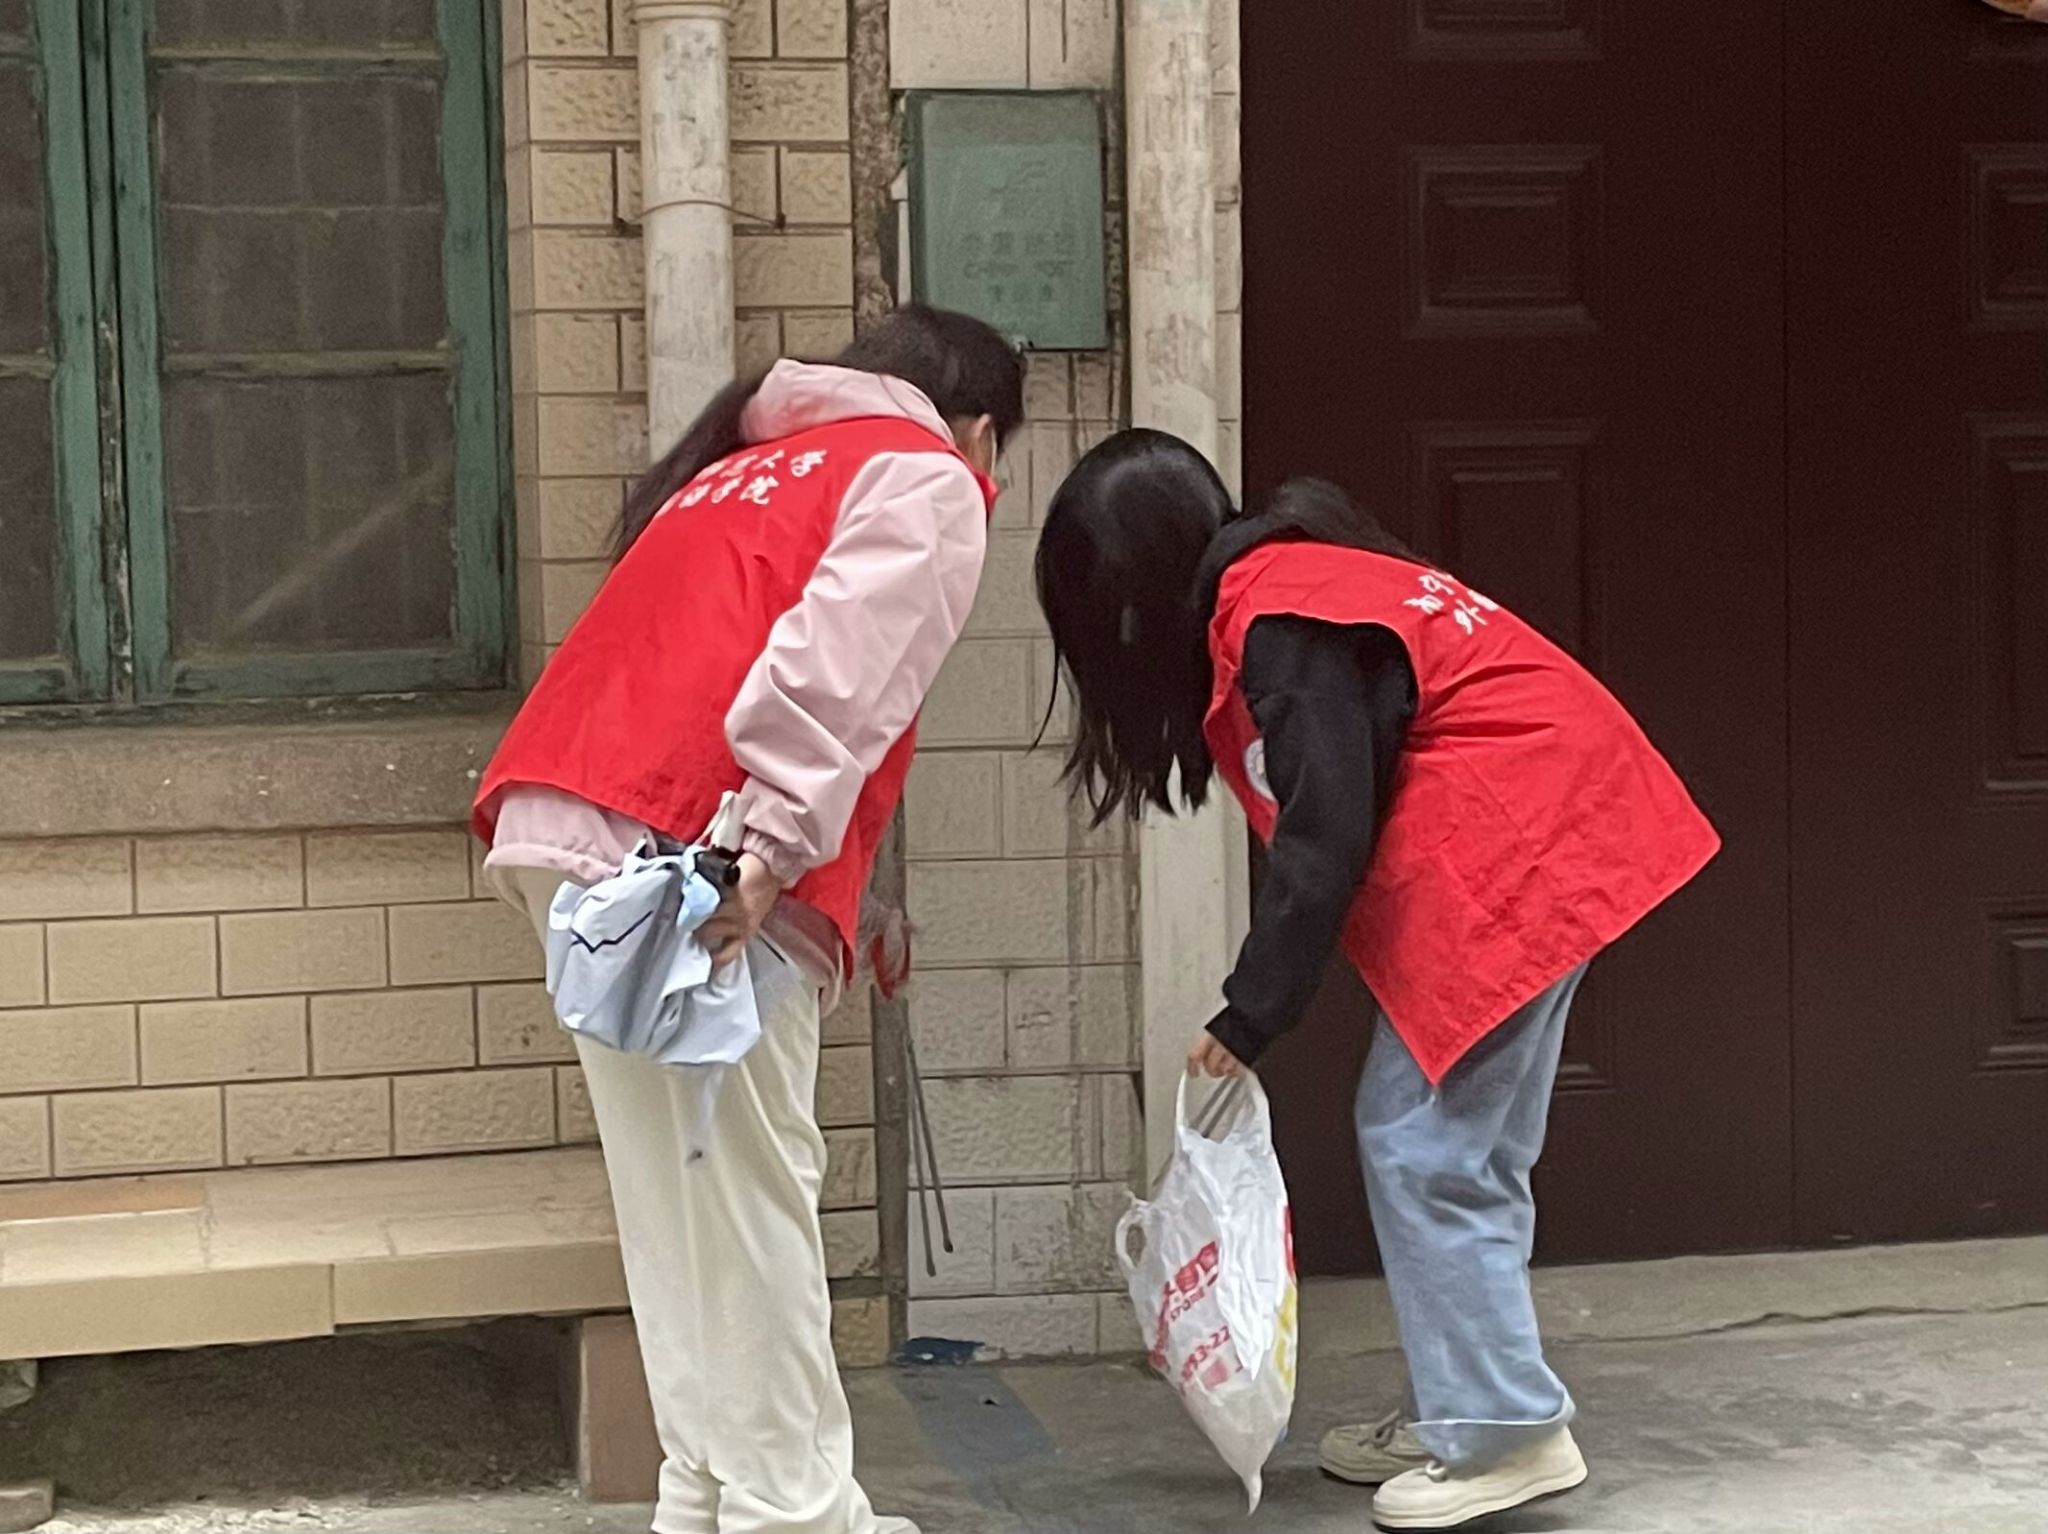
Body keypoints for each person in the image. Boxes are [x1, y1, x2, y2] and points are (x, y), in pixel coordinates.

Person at [1033, 429, 1720, 1531]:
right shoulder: (1298, 578)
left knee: (1424, 1148)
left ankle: (1502, 1432)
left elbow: (1324, 837)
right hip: (1559, 831)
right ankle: (1466, 1401)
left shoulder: (1278, 621)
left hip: (1521, 855)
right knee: (1464, 1154)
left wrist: (1248, 1014)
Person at [473, 305, 1024, 1534]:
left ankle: (709, 1490)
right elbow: (836, 667)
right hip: (696, 851)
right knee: (754, 1192)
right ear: (981, 428)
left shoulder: (740, 464)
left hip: (574, 830)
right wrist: (765, 851)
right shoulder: (922, 472)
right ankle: (792, 1512)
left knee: (679, 1200)